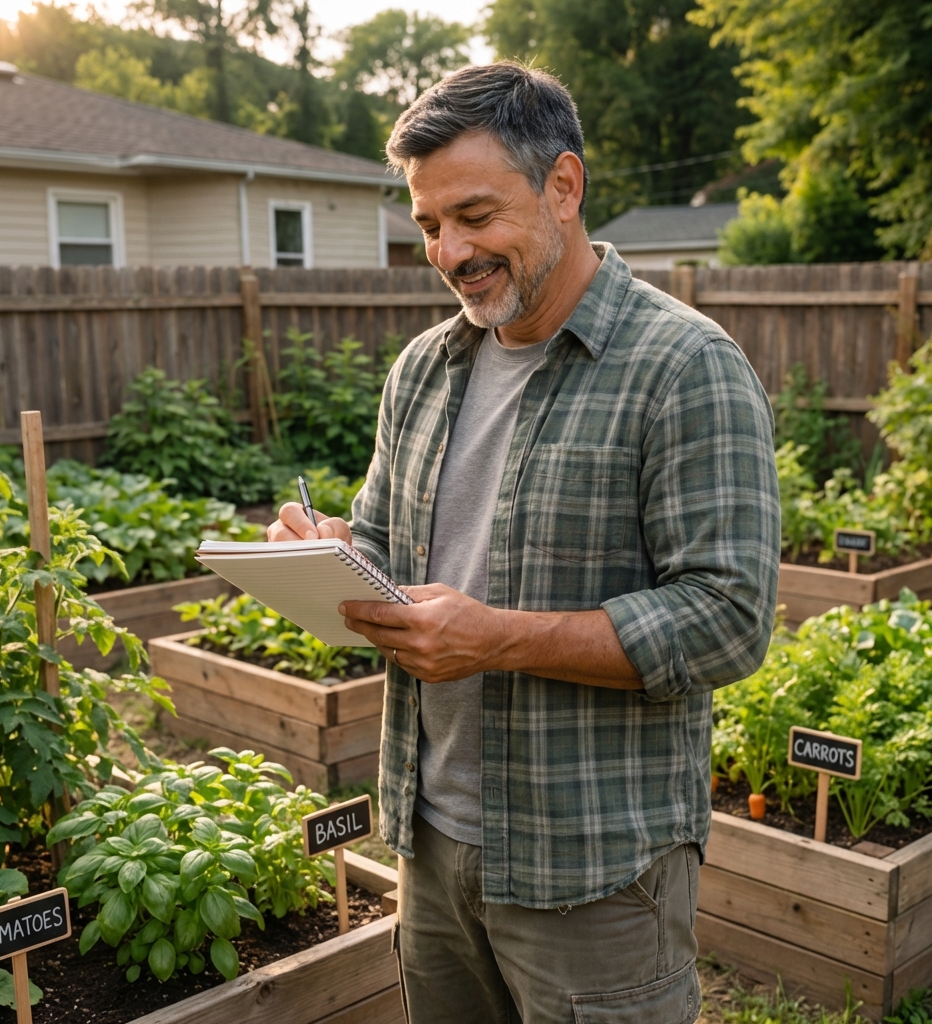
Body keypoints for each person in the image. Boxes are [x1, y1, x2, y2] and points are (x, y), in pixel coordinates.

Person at [268, 61, 780, 1024]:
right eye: (427, 226)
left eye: (474, 215)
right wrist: (332, 549)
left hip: (592, 865)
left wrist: (497, 637)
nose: (450, 251)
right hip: (430, 839)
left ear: (564, 186)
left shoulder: (684, 369)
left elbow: (729, 619)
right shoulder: (426, 368)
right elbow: (387, 543)